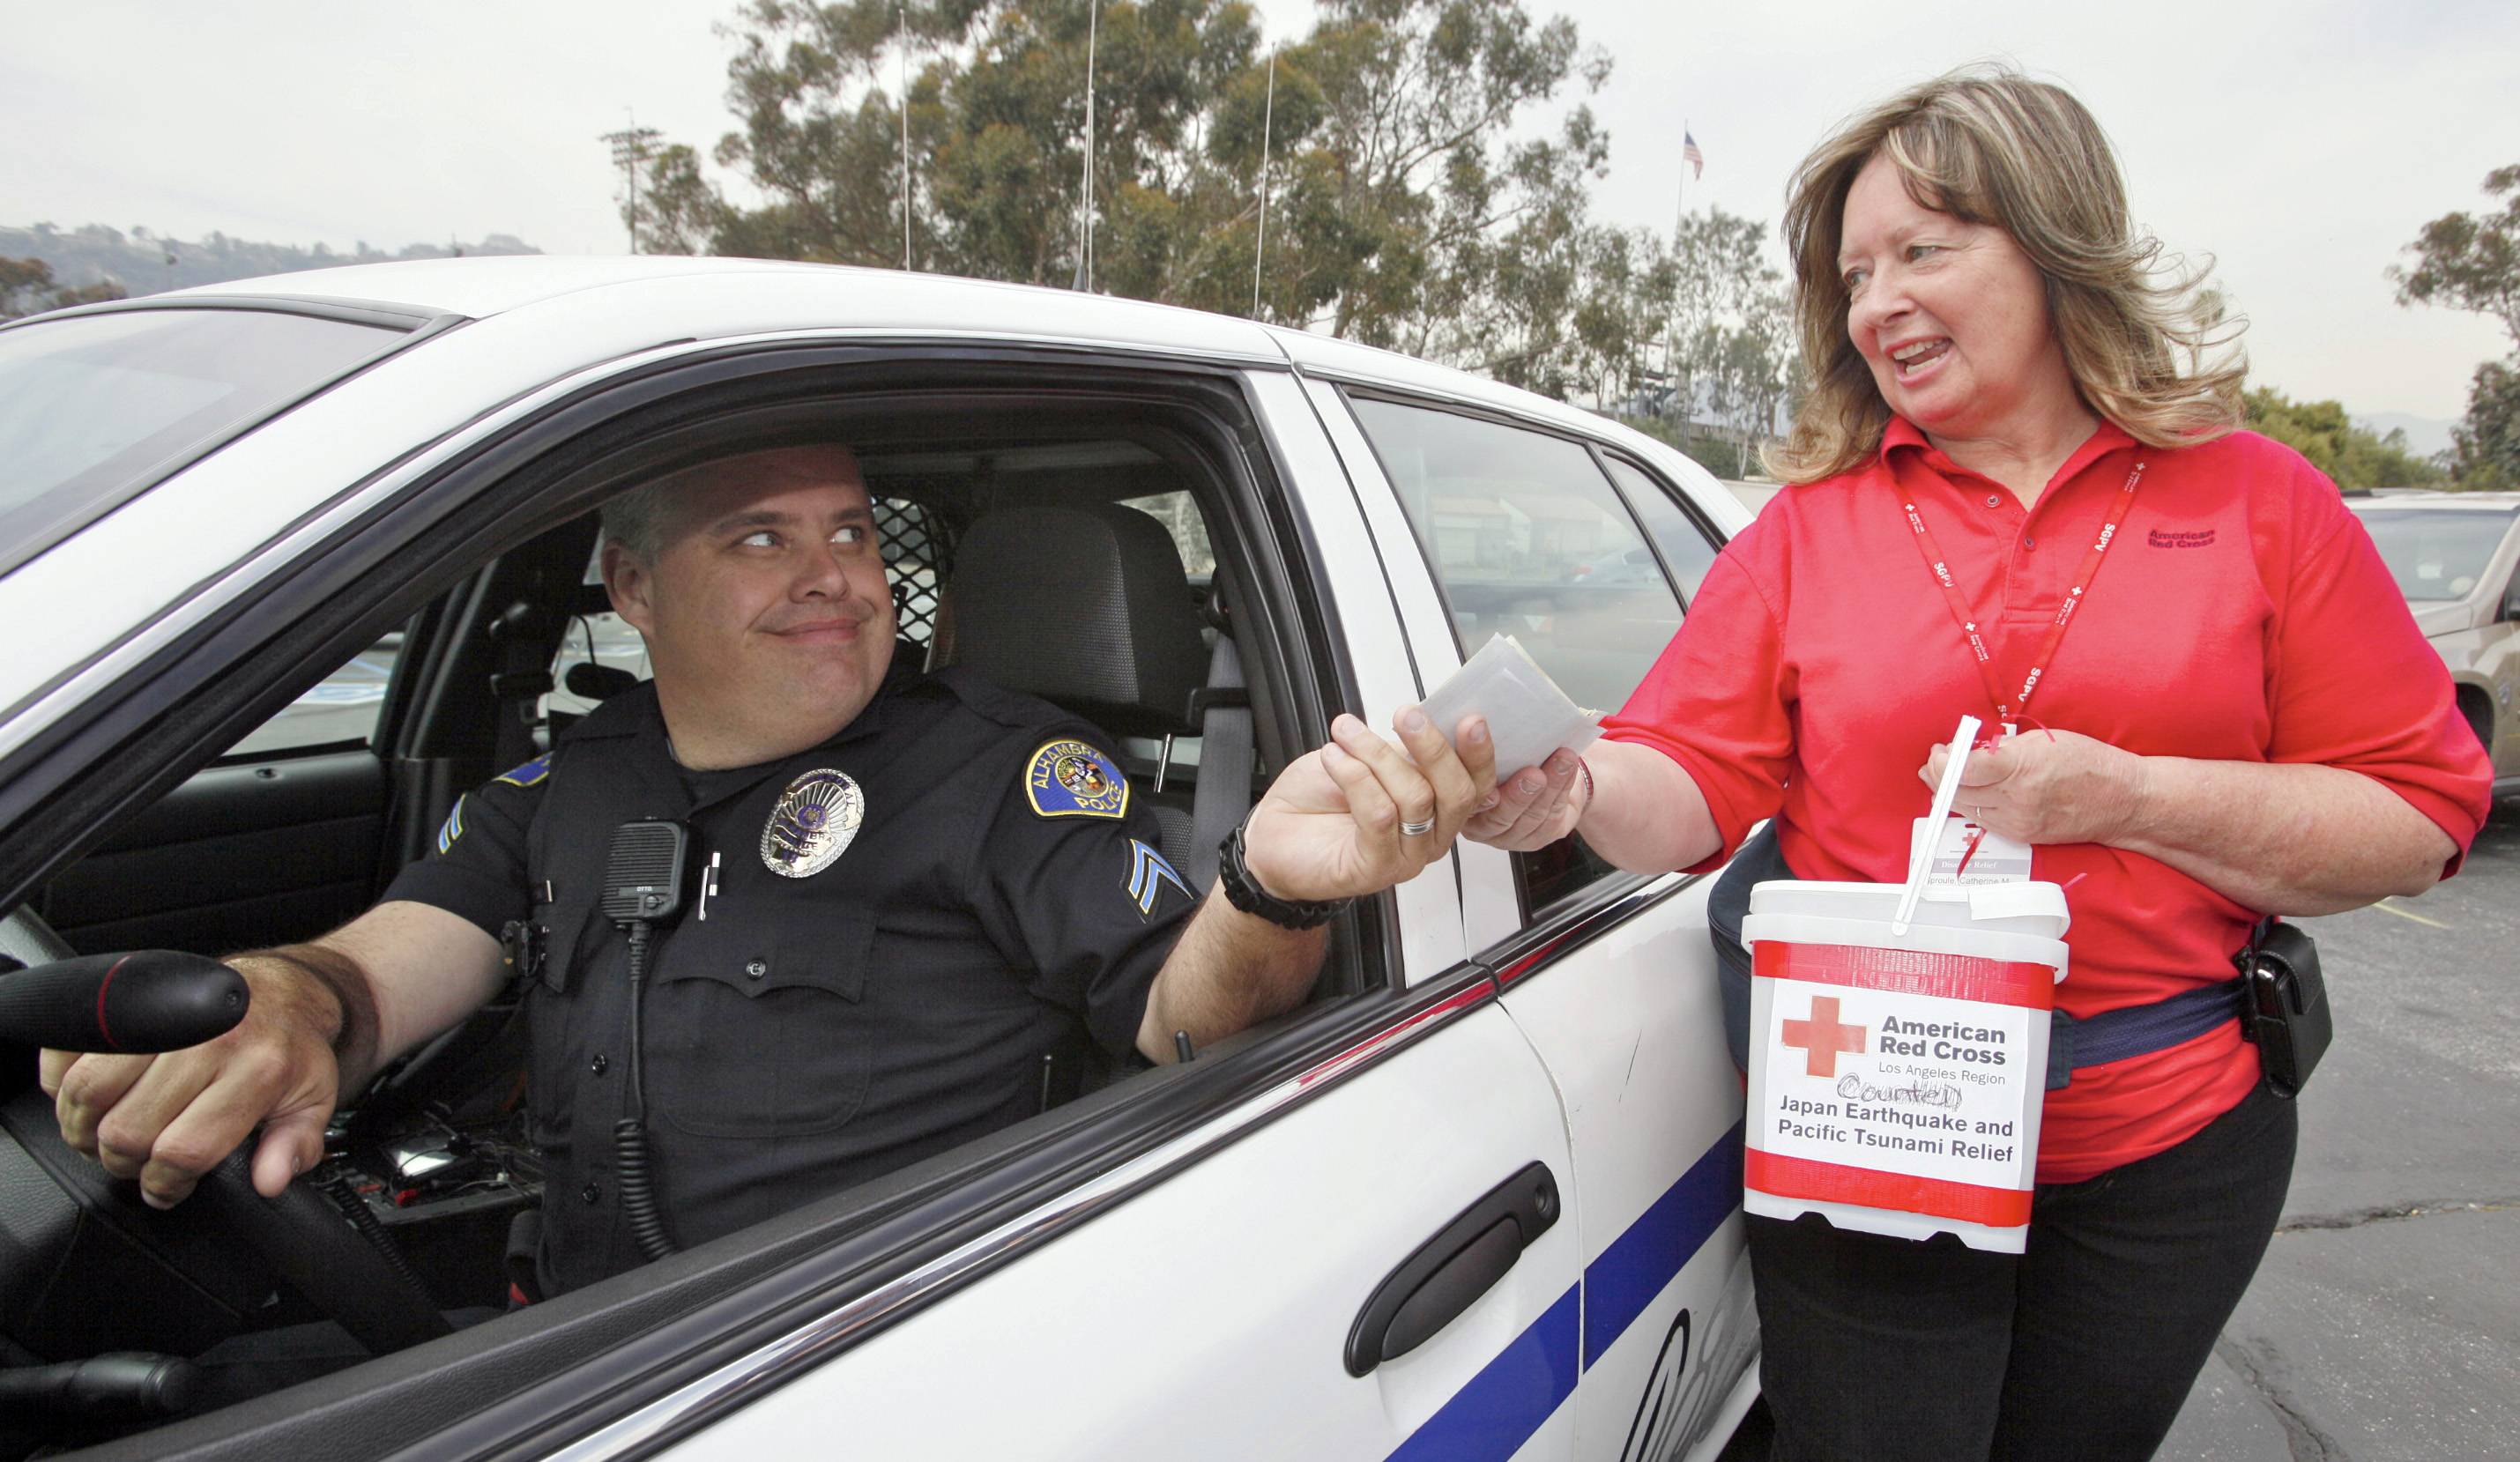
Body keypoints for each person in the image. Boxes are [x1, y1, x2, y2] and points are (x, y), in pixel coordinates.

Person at [1468, 68, 2492, 1462]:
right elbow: (1692, 781)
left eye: (1922, 250)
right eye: (1852, 274)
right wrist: (1578, 789)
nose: (1874, 302)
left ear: (2056, 245)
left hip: (2169, 1149)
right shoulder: (1805, 533)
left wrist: (2130, 799)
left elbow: (2418, 820)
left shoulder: (2261, 500)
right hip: (1874, 1130)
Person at [41, 442, 1497, 1298]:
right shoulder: (575, 777)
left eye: (854, 532)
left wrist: (1271, 887)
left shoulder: (1011, 777)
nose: (839, 576)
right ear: (629, 589)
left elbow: (1188, 1030)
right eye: (762, 539)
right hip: (572, 1339)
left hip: (862, 1356)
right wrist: (289, 1002)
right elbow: (386, 969)